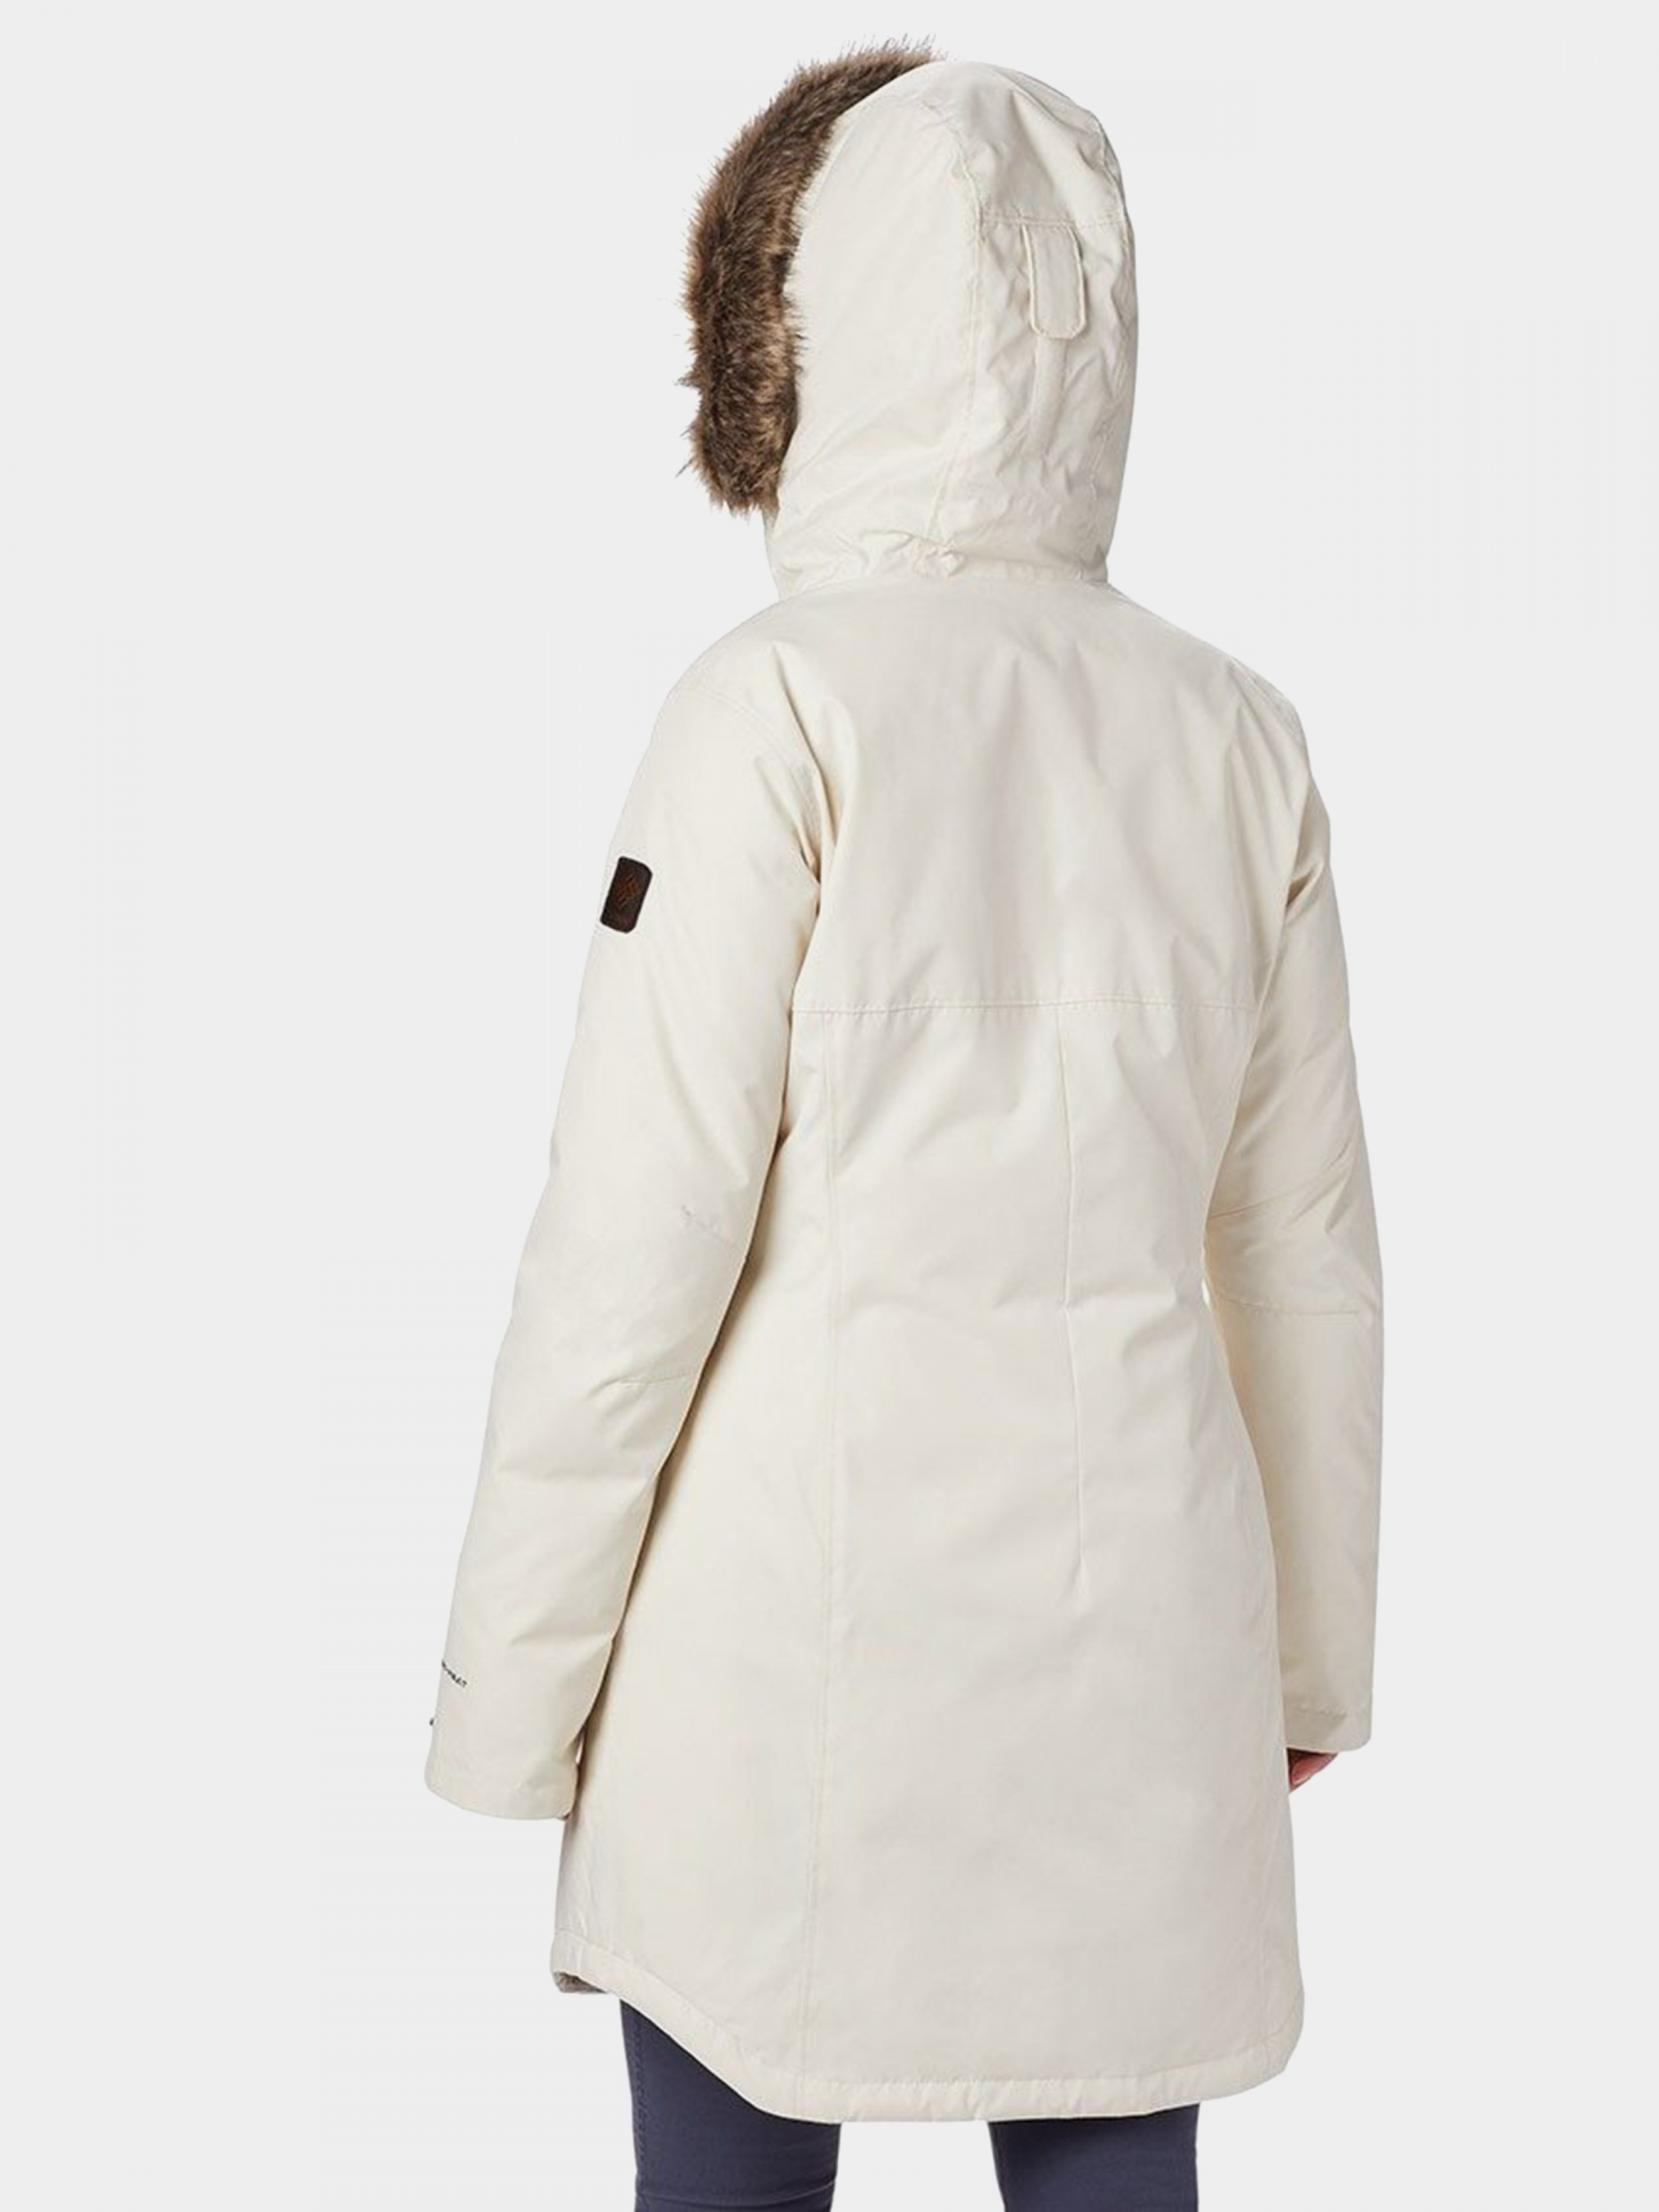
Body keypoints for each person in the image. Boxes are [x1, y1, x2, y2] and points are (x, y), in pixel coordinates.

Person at [425, 45, 1383, 2212]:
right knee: (1114, 2156)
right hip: (1137, 1649)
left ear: (793, 337)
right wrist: (1308, 1658)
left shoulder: (769, 706)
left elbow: (626, 1249)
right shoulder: (1239, 737)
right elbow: (1302, 1251)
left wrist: (511, 1694)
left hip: (777, 1669)